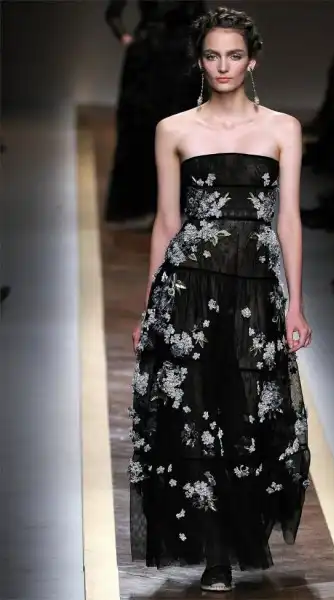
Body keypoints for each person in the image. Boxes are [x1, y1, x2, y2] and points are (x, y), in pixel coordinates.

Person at [129, 6, 312, 592]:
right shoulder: (174, 129)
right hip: (189, 287)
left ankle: (240, 533)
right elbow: (166, 221)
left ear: (251, 61)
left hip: (256, 290)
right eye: (212, 55)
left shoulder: (283, 129)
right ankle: (216, 553)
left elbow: (288, 220)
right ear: (200, 61)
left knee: (250, 413)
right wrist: (149, 307)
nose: (223, 66)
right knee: (195, 412)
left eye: (234, 55)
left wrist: (295, 304)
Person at [104, 0, 206, 228]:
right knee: (144, 130)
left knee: (178, 131)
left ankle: (174, 208)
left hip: (177, 60)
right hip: (150, 59)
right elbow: (113, 14)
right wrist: (128, 40)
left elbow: (202, 19)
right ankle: (148, 207)